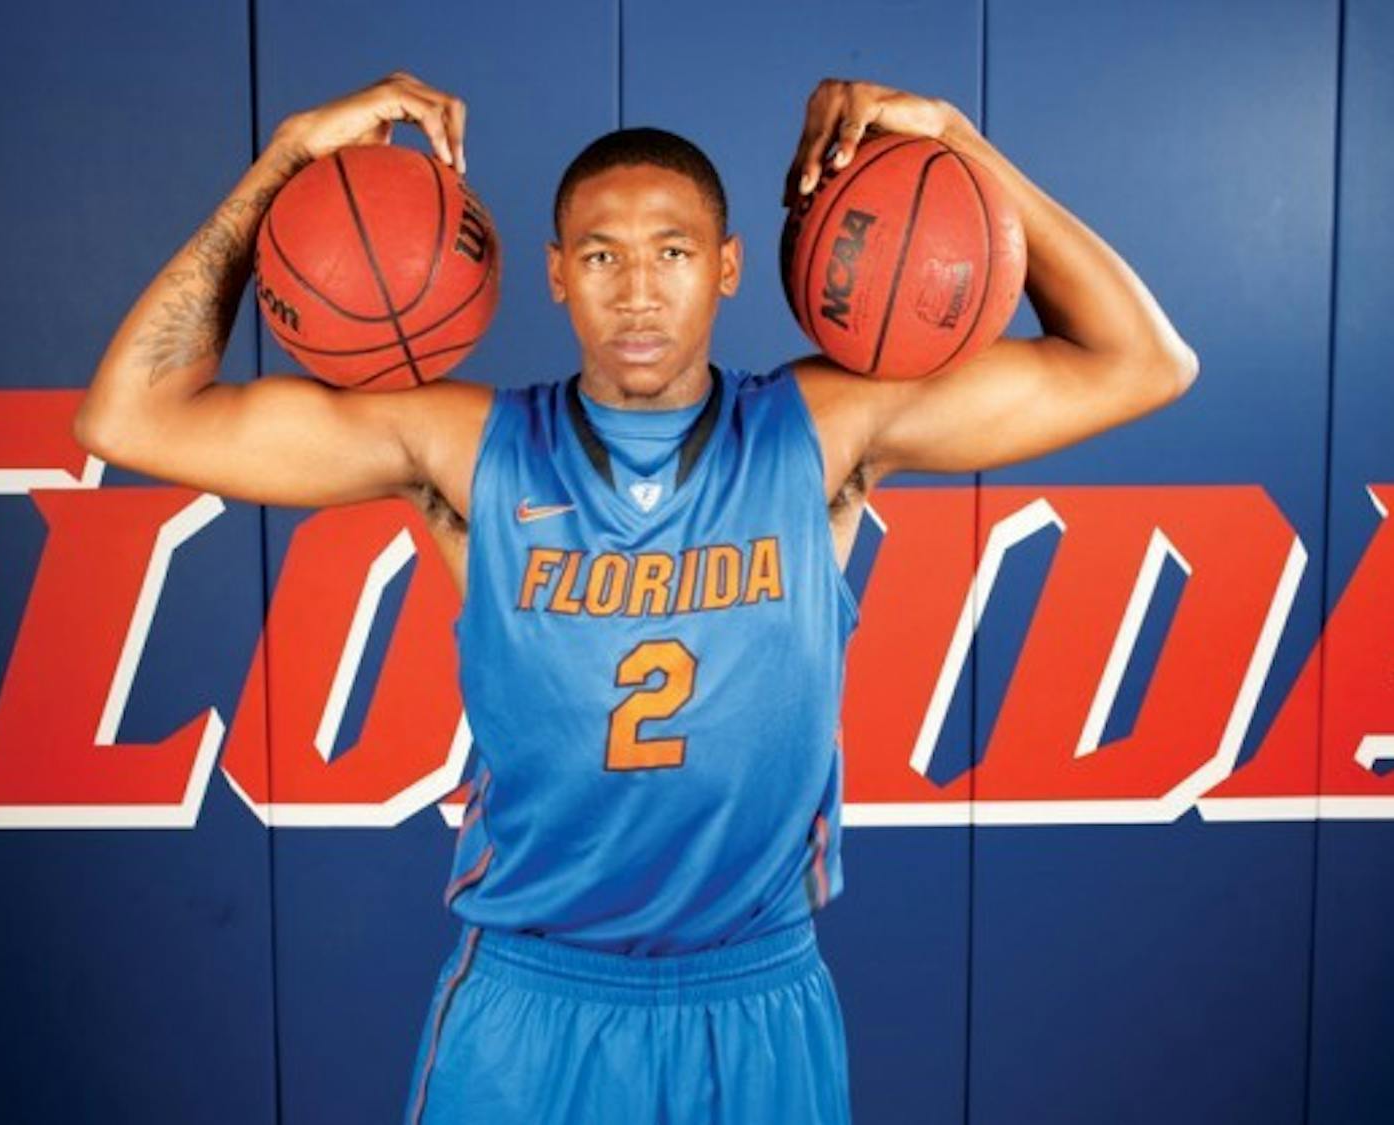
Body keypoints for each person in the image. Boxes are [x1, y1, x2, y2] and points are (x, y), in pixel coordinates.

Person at [74, 70, 1196, 1125]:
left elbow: (1140, 361)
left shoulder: (825, 433)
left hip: (757, 996)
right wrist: (283, 161)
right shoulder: (465, 449)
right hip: (533, 1000)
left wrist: (956, 141)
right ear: (556, 272)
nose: (640, 289)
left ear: (728, 267)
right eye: (604, 257)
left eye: (672, 250)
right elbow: (132, 418)